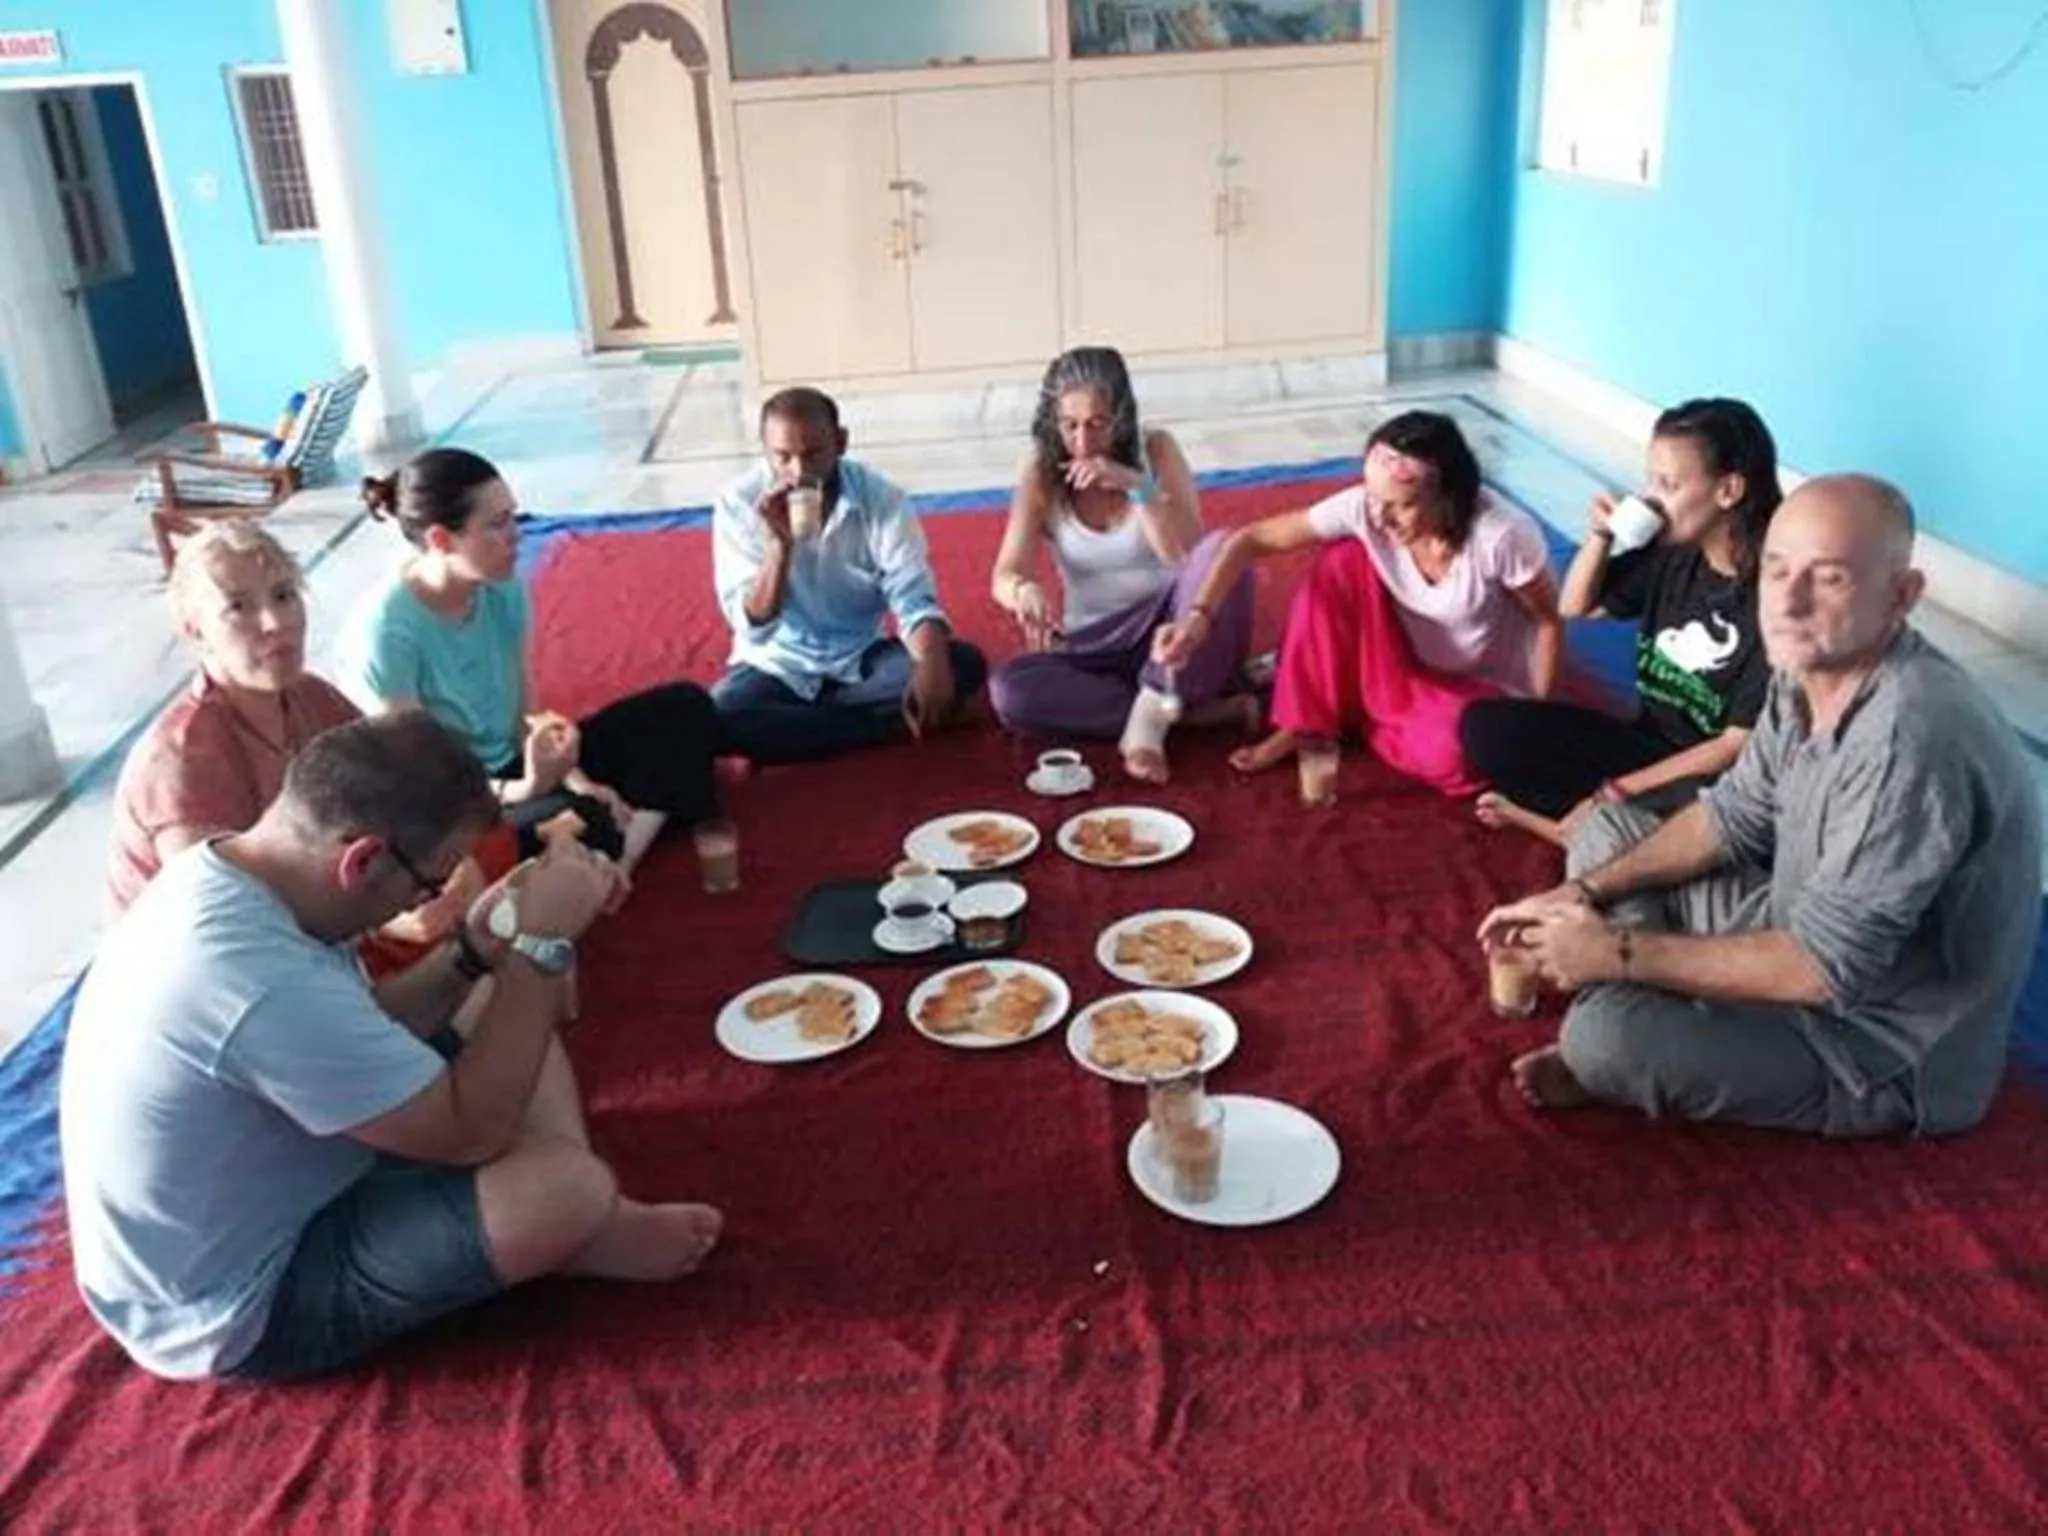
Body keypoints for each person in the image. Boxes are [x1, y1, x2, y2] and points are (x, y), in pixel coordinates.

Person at [61, 711, 724, 1382]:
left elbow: (362, 1019)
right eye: (429, 883)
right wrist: (542, 946)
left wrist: (474, 944)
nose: (425, 898)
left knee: (489, 1001)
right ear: (365, 859)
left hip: (279, 1177)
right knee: (569, 1187)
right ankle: (576, 1224)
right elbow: (470, 1133)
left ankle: (569, 1226)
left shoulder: (254, 871)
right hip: (238, 1301)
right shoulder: (249, 975)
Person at [1478, 475, 2043, 1138]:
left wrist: (1616, 955)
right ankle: (1654, 1008)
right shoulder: (1805, 668)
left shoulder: (1907, 740)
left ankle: (1626, 1032)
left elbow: (1822, 968)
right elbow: (1733, 817)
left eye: (1827, 579)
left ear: (1902, 595)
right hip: (1787, 916)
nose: (1788, 602)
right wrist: (1581, 891)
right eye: (1776, 572)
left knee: (1603, 1039)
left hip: (1877, 1040)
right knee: (1608, 828)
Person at [1154, 410, 1564, 803]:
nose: (1381, 517)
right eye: (1374, 499)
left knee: (1454, 756)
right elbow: (1250, 541)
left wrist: (1535, 719)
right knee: (1344, 560)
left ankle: (1346, 709)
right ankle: (1309, 720)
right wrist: (1197, 621)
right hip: (1396, 662)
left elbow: (1548, 622)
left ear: (1447, 496)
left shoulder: (1502, 536)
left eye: (1401, 505)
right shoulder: (1369, 509)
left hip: (1478, 690)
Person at [348, 448, 722, 873]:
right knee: (579, 822)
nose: (517, 536)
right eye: (497, 524)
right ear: (440, 539)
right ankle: (627, 835)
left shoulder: (501, 586)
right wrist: (526, 790)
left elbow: (529, 718)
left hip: (522, 771)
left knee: (686, 706)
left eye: (513, 516)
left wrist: (578, 780)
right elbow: (423, 785)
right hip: (457, 808)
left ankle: (616, 858)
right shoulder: (387, 630)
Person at [1461, 398, 1782, 846]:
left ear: (1728, 491)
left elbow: (1733, 747)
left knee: (1706, 823)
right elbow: (1576, 608)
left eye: (1668, 484)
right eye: (1651, 480)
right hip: (1647, 747)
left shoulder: (1776, 599)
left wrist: (1616, 791)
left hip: (1715, 781)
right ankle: (1605, 832)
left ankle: (1596, 832)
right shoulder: (1672, 552)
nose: (1651, 498)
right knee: (1485, 728)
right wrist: (1601, 534)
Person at [987, 346, 1255, 783]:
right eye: (1069, 426)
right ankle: (1176, 710)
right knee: (1010, 692)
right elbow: (1004, 573)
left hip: (1171, 631)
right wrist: (1023, 590)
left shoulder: (1156, 449)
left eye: (1097, 425)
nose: (1084, 442)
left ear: (1122, 417)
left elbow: (1186, 556)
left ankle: (1148, 724)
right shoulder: (1041, 471)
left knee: (1227, 552)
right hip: (1093, 647)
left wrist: (1138, 487)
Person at [709, 387, 987, 764]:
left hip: (861, 659)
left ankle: (800, 732)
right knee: (719, 714)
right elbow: (753, 625)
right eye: (783, 457)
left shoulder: (881, 499)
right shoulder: (739, 503)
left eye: (812, 455)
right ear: (765, 452)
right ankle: (871, 729)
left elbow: (912, 595)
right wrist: (779, 549)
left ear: (840, 443)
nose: (798, 472)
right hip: (776, 665)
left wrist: (931, 662)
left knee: (960, 664)